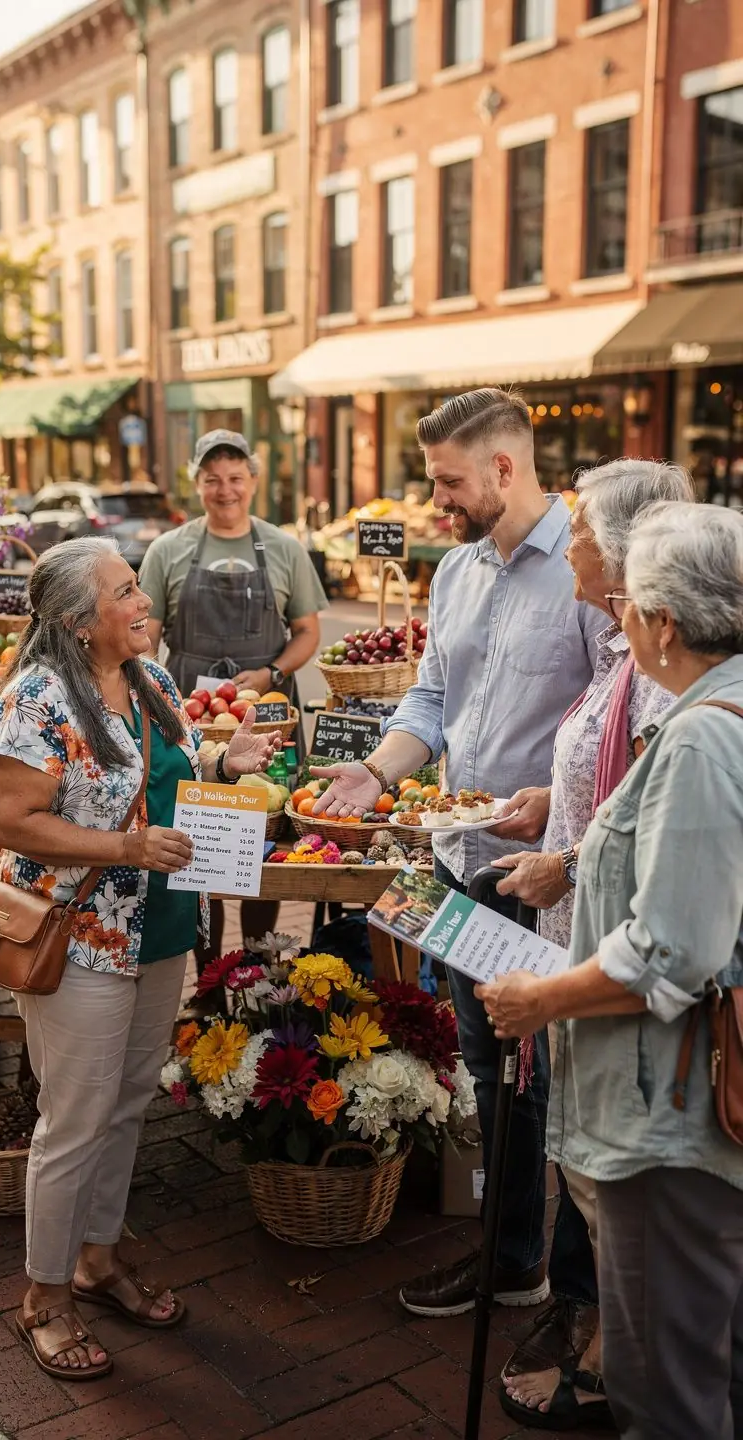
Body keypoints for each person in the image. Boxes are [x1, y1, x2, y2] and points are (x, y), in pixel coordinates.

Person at [313, 387, 604, 1318]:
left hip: (549, 873)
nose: (436, 500)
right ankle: (512, 1260)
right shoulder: (456, 573)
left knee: (562, 1081)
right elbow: (430, 703)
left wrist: (555, 807)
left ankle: (579, 1297)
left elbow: (622, 726)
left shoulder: (591, 573)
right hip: (460, 859)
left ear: (504, 469)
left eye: (448, 482)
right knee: (489, 1067)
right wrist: (375, 771)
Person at [0, 537, 281, 1382]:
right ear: (80, 622)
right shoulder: (38, 699)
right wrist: (122, 846)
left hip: (159, 928)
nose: (145, 601)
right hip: (79, 935)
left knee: (125, 1107)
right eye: (126, 592)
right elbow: (8, 819)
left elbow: (171, 775)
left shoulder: (150, 680)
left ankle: (97, 1260)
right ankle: (43, 1298)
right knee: (72, 1124)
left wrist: (227, 760)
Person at [478, 502, 743, 1440]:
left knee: (665, 1388)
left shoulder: (706, 734)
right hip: (685, 1096)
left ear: (665, 622)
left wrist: (535, 996)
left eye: (630, 599)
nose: (616, 614)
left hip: (671, 1110)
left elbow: (671, 951)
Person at [138, 428, 328, 959]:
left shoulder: (284, 548)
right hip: (193, 725)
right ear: (196, 484)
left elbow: (308, 631)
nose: (225, 490)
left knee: (265, 852)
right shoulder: (168, 549)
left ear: (254, 481)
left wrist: (271, 672)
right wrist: (152, 694)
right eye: (212, 480)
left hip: (268, 723)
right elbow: (145, 637)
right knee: (203, 849)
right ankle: (213, 974)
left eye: (236, 478)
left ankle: (259, 968)